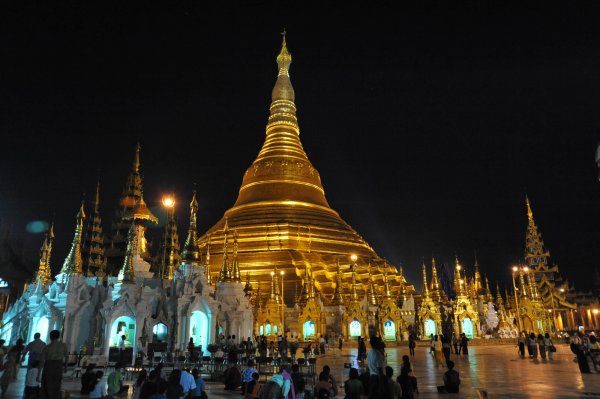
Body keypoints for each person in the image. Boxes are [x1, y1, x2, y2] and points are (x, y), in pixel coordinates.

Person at [39, 330, 68, 399]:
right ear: (58, 336)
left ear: (50, 337)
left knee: (47, 383)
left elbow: (42, 361)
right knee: (57, 383)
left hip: (49, 365)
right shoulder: (63, 346)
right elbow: (66, 356)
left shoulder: (47, 347)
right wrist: (66, 367)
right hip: (58, 365)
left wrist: (38, 373)